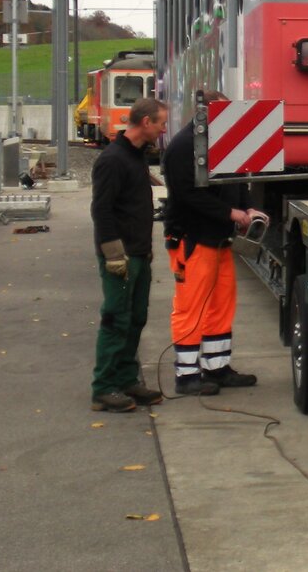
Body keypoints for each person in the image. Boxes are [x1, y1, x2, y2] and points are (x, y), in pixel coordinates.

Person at [162, 90, 261, 396]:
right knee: (191, 307)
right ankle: (187, 375)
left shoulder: (220, 141)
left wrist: (247, 207)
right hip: (193, 238)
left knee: (220, 304)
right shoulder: (182, 147)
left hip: (217, 239)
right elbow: (187, 194)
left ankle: (216, 368)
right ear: (207, 115)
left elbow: (236, 181)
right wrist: (231, 212)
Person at [90, 97, 169, 413]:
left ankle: (125, 379)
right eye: (161, 123)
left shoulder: (134, 155)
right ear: (146, 122)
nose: (163, 129)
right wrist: (113, 254)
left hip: (138, 253)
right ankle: (104, 387)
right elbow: (101, 209)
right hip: (121, 256)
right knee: (116, 318)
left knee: (136, 317)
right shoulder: (112, 160)